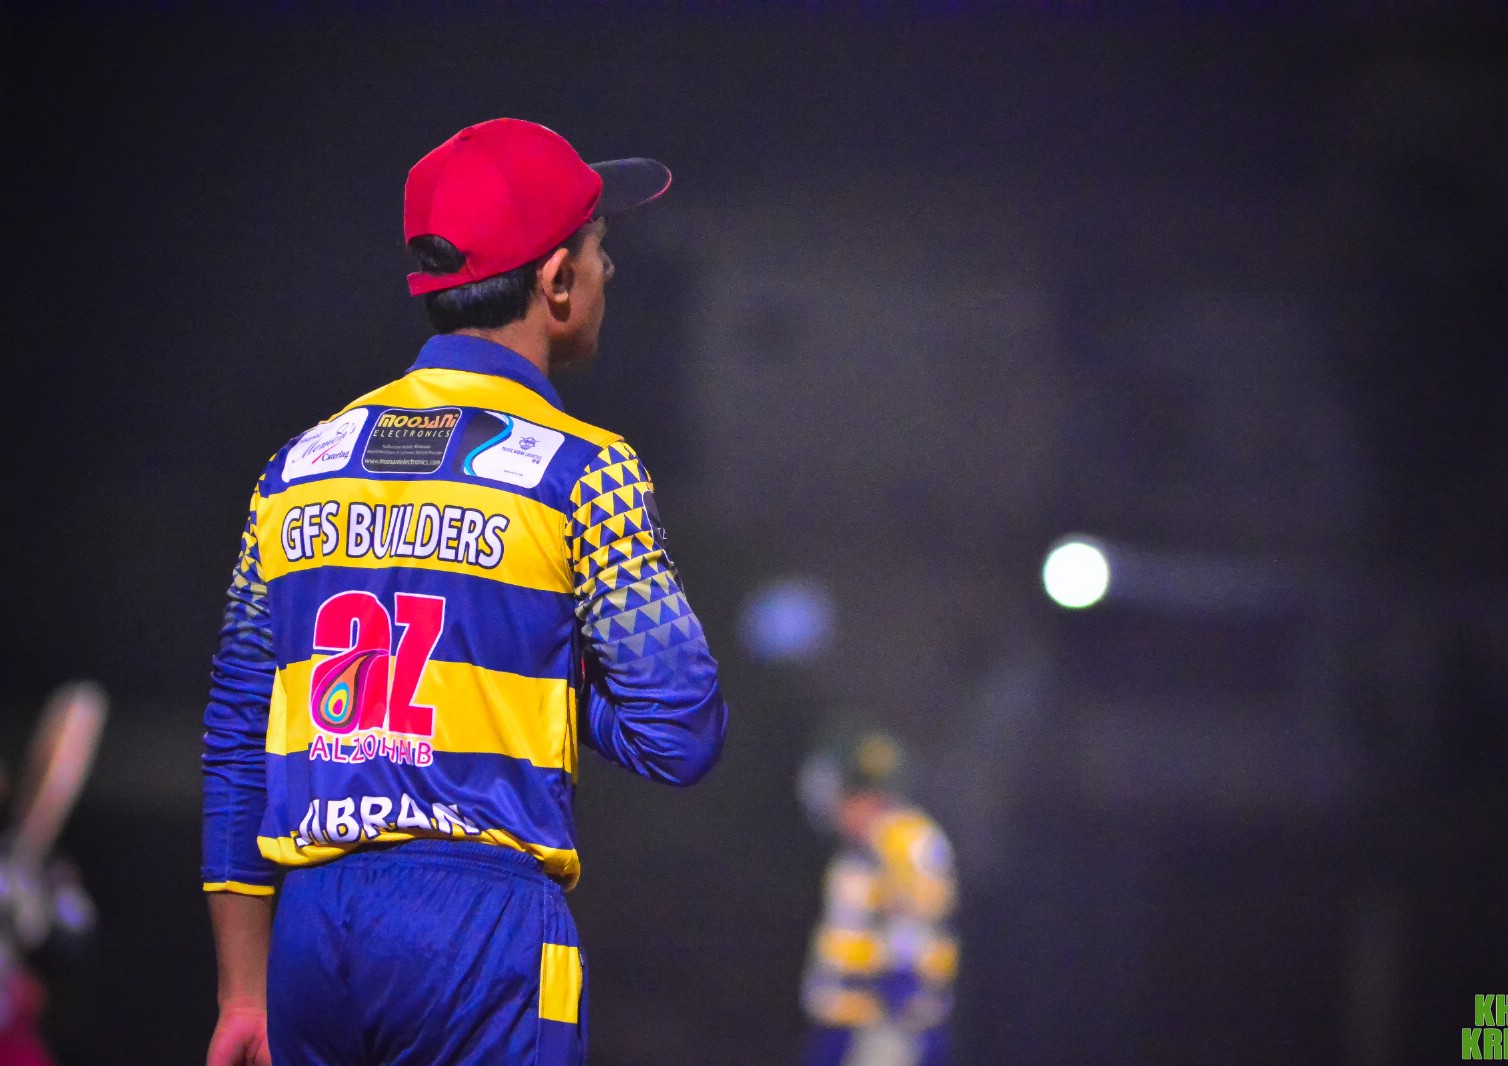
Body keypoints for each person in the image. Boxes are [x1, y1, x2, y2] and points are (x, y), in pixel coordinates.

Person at [200, 118, 729, 1066]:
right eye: (600, 249)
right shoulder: (584, 471)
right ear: (556, 280)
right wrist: (526, 654)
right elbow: (679, 731)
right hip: (481, 932)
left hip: (309, 935)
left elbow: (240, 729)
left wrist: (243, 991)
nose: (609, 271)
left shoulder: (295, 469)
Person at [797, 731, 958, 1066]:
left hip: (884, 1023)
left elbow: (915, 926)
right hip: (847, 1019)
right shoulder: (862, 848)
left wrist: (900, 1000)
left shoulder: (905, 840)